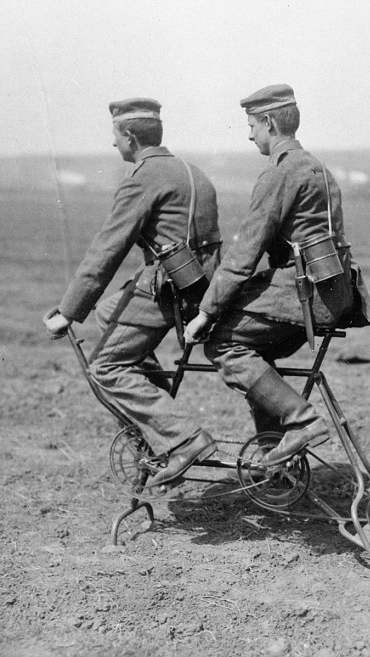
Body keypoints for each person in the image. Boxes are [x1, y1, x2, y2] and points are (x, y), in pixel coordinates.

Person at [43, 97, 219, 489]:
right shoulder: (194, 172)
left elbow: (108, 247)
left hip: (169, 291)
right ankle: (159, 412)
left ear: (128, 136)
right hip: (199, 287)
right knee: (107, 314)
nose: (113, 144)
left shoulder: (144, 178)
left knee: (104, 368)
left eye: (114, 136)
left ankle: (181, 439)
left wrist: (68, 312)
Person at [184, 83, 363, 466]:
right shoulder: (317, 166)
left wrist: (205, 312)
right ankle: (271, 453)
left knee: (222, 344)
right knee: (256, 347)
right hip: (332, 291)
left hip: (306, 295)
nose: (249, 135)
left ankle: (301, 422)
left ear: (268, 123)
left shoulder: (280, 172)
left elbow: (246, 250)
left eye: (251, 125)